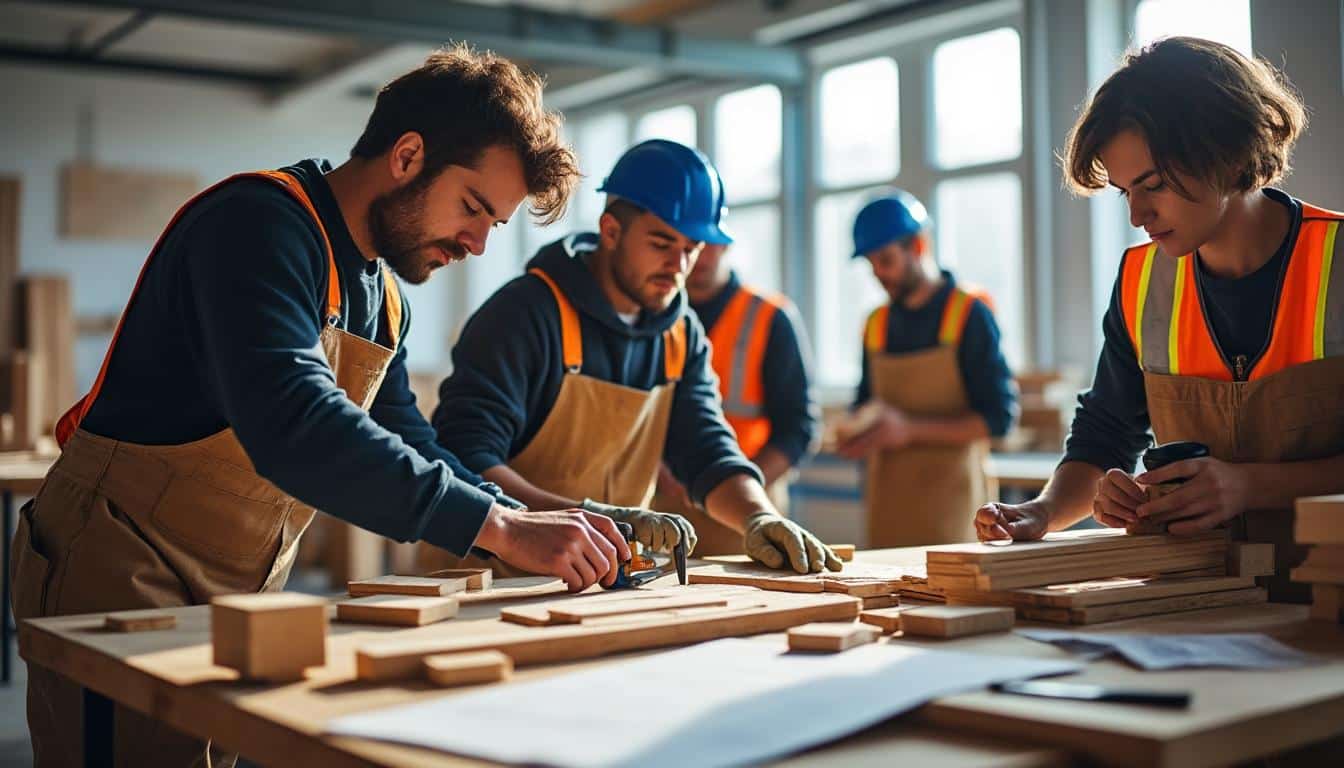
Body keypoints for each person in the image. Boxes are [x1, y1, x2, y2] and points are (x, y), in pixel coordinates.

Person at [8, 46, 631, 766]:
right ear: (406, 156)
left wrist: (518, 517)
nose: (478, 243)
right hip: (116, 561)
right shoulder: (256, 225)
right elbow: (292, 421)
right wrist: (497, 526)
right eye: (472, 207)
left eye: (495, 223)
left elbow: (408, 437)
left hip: (238, 587)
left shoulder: (383, 297)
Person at [974, 37, 1342, 603]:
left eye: (1154, 185)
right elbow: (1105, 435)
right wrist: (1045, 511)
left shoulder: (1339, 261)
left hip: (1329, 609)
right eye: (1125, 191)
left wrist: (1250, 485)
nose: (1137, 214)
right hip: (1201, 605)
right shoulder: (1142, 281)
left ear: (1228, 152)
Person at [426, 139, 842, 574]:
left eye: (691, 249)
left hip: (599, 579)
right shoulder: (524, 314)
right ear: (611, 231)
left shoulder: (679, 334)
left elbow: (705, 451)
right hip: (483, 580)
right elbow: (465, 457)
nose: (678, 266)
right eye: (662, 244)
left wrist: (758, 516)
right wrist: (592, 519)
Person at [837, 190, 1018, 547]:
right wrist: (856, 431)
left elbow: (998, 420)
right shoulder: (876, 324)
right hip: (887, 514)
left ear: (918, 246)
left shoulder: (968, 314)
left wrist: (907, 430)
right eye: (871, 264)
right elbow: (865, 403)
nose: (878, 274)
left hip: (955, 514)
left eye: (885, 260)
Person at [649, 241, 820, 554]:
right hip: (668, 509)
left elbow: (797, 429)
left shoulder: (770, 317)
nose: (693, 257)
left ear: (726, 244)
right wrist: (658, 470)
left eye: (701, 244)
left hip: (748, 511)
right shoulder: (651, 316)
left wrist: (734, 488)